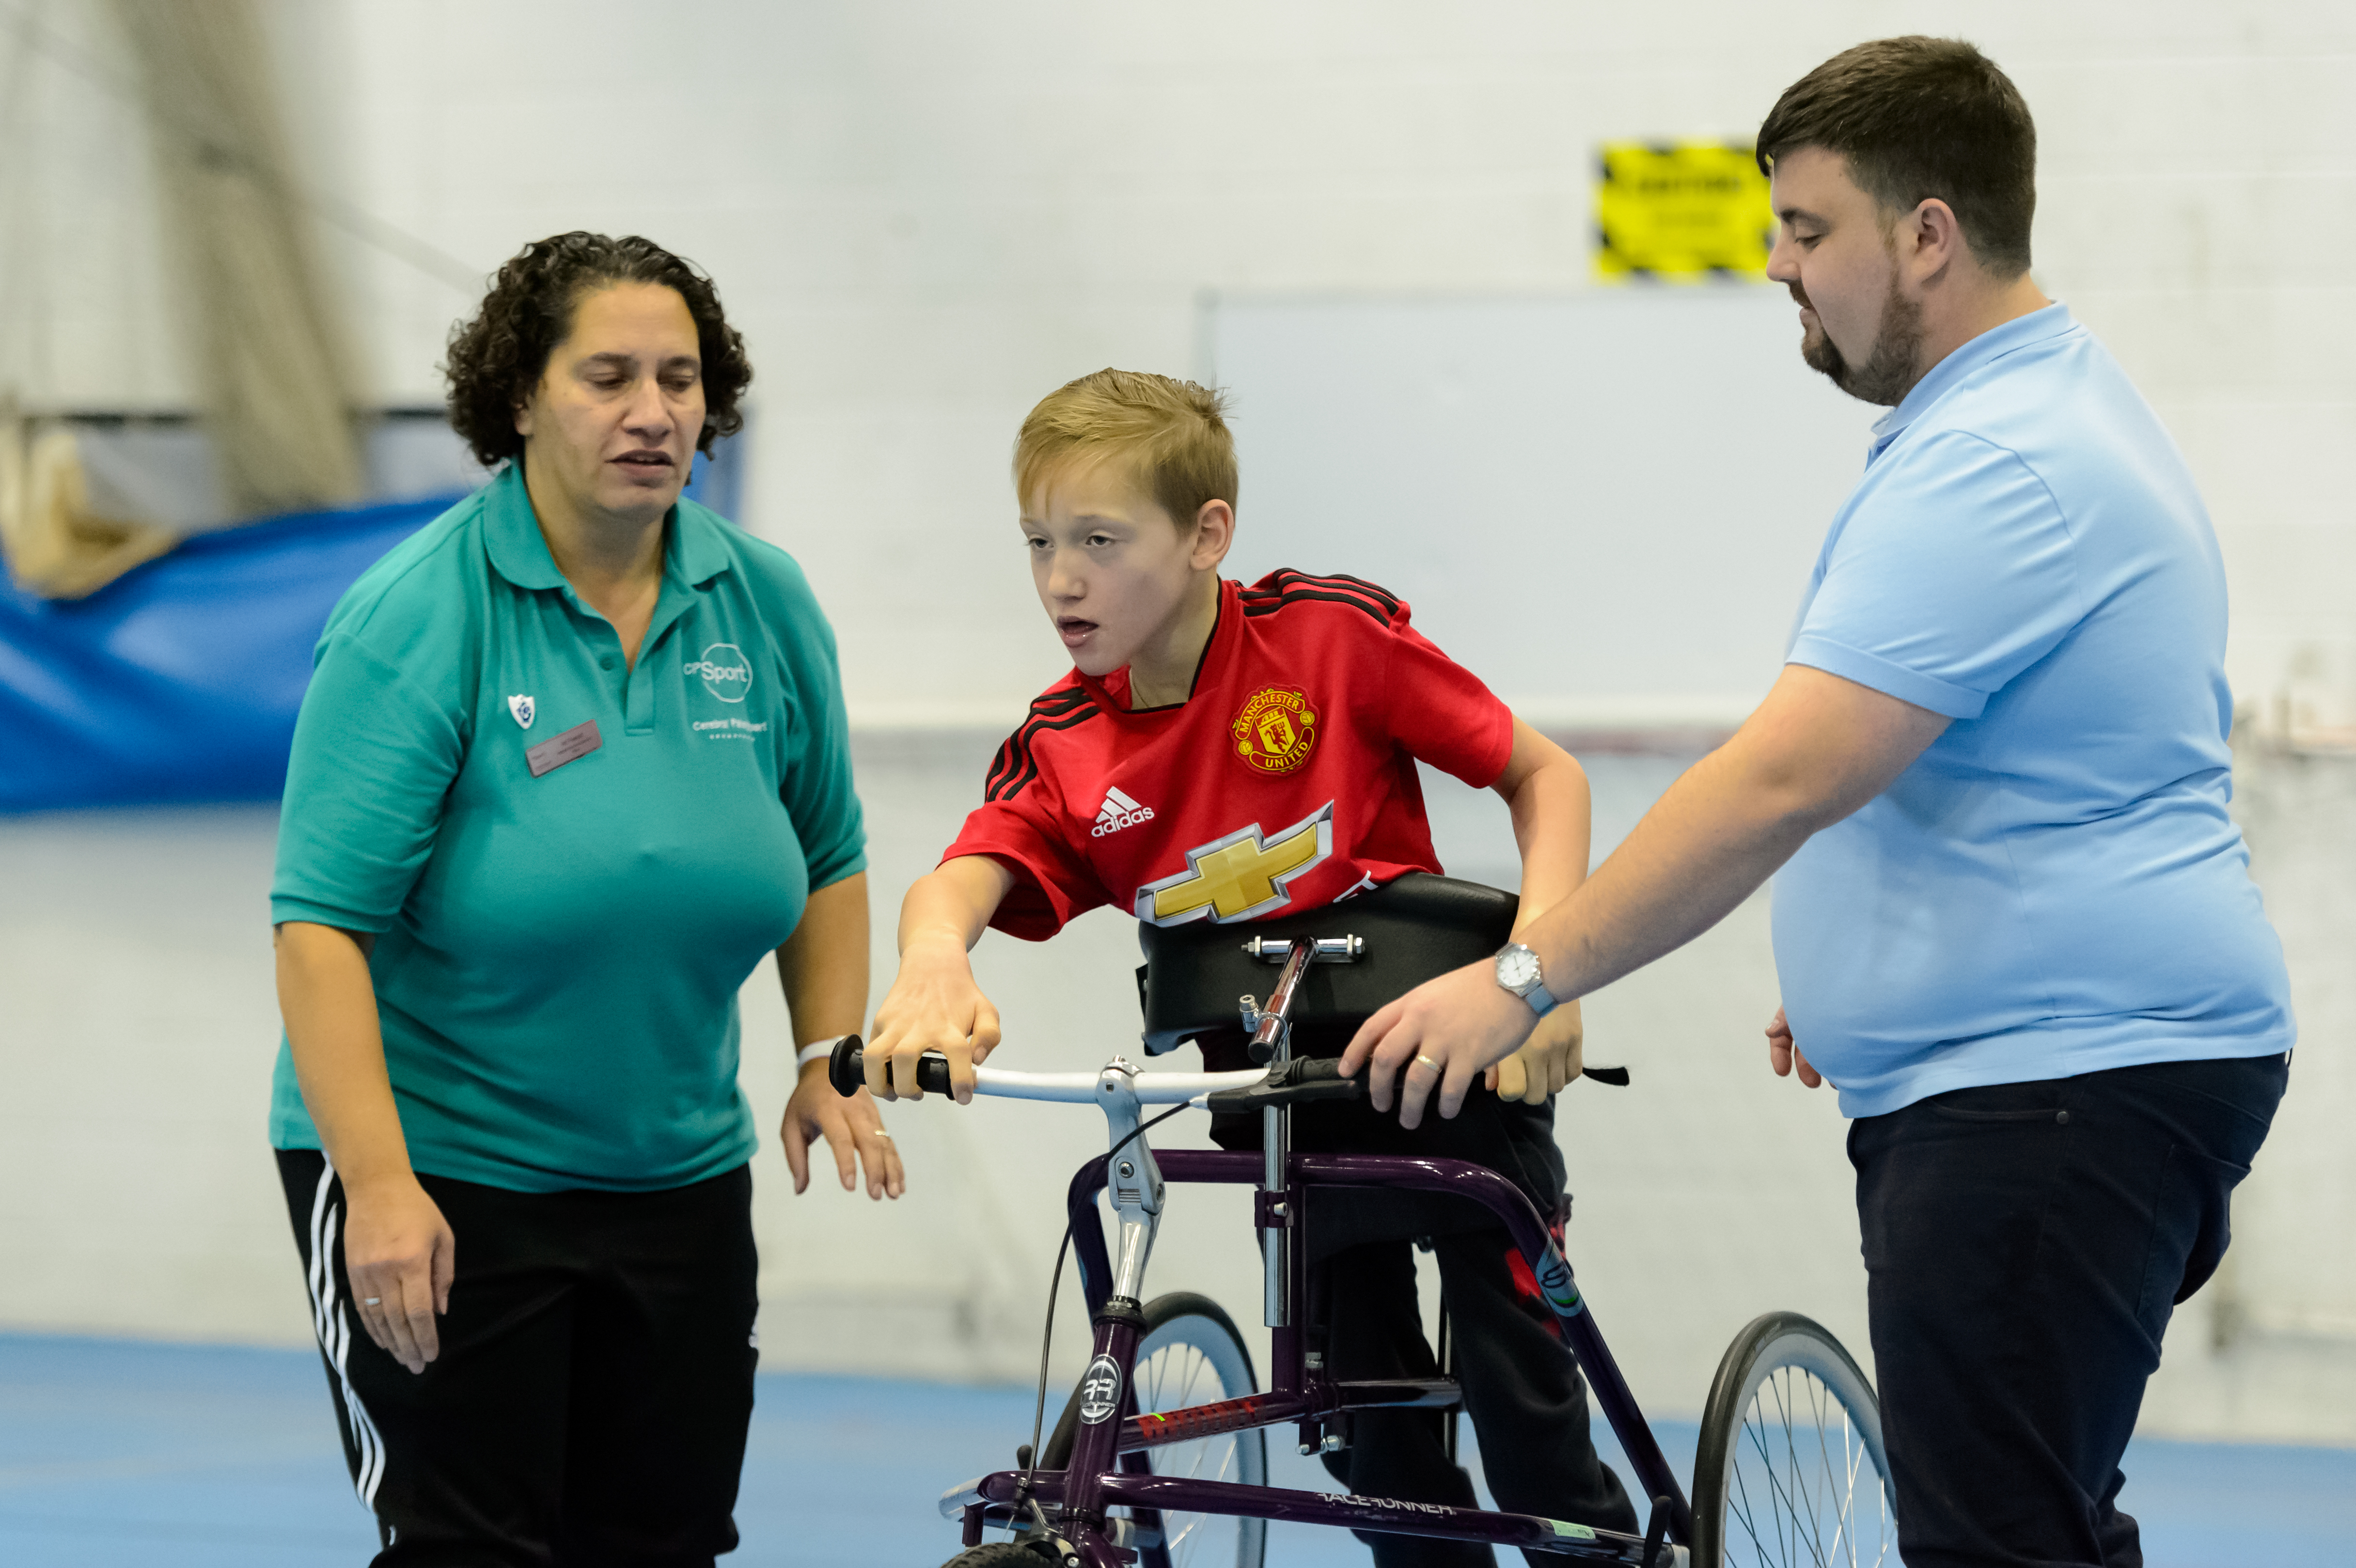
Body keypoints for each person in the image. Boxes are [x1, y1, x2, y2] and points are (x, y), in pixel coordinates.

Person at [1343, 37, 2295, 1568]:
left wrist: (1521, 980)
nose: (1775, 268)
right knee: (2023, 1526)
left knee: (2001, 1544)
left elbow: (1785, 771)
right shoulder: (2000, 418)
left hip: (2056, 1084)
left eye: (1804, 230)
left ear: (1925, 232)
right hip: (2049, 1067)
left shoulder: (1999, 458)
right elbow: (1941, 754)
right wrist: (1865, 972)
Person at [866, 368, 1639, 1564]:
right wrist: (931, 960)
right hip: (1284, 1116)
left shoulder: (1324, 639)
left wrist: (1543, 970)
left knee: (1528, 1426)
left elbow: (1548, 775)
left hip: (1454, 1078)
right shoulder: (1065, 743)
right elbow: (966, 874)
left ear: (1204, 536)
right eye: (1037, 542)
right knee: (1381, 1457)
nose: (1059, 578)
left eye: (1098, 539)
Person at [269, 231, 901, 1566]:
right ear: (518, 397)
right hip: (446, 1172)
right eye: (606, 375)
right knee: (473, 1547)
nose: (652, 411)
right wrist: (377, 1187)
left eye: (679, 379)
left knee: (658, 1542)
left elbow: (827, 851)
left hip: (674, 1173)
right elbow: (320, 925)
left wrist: (820, 1052)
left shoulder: (763, 600)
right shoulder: (419, 613)